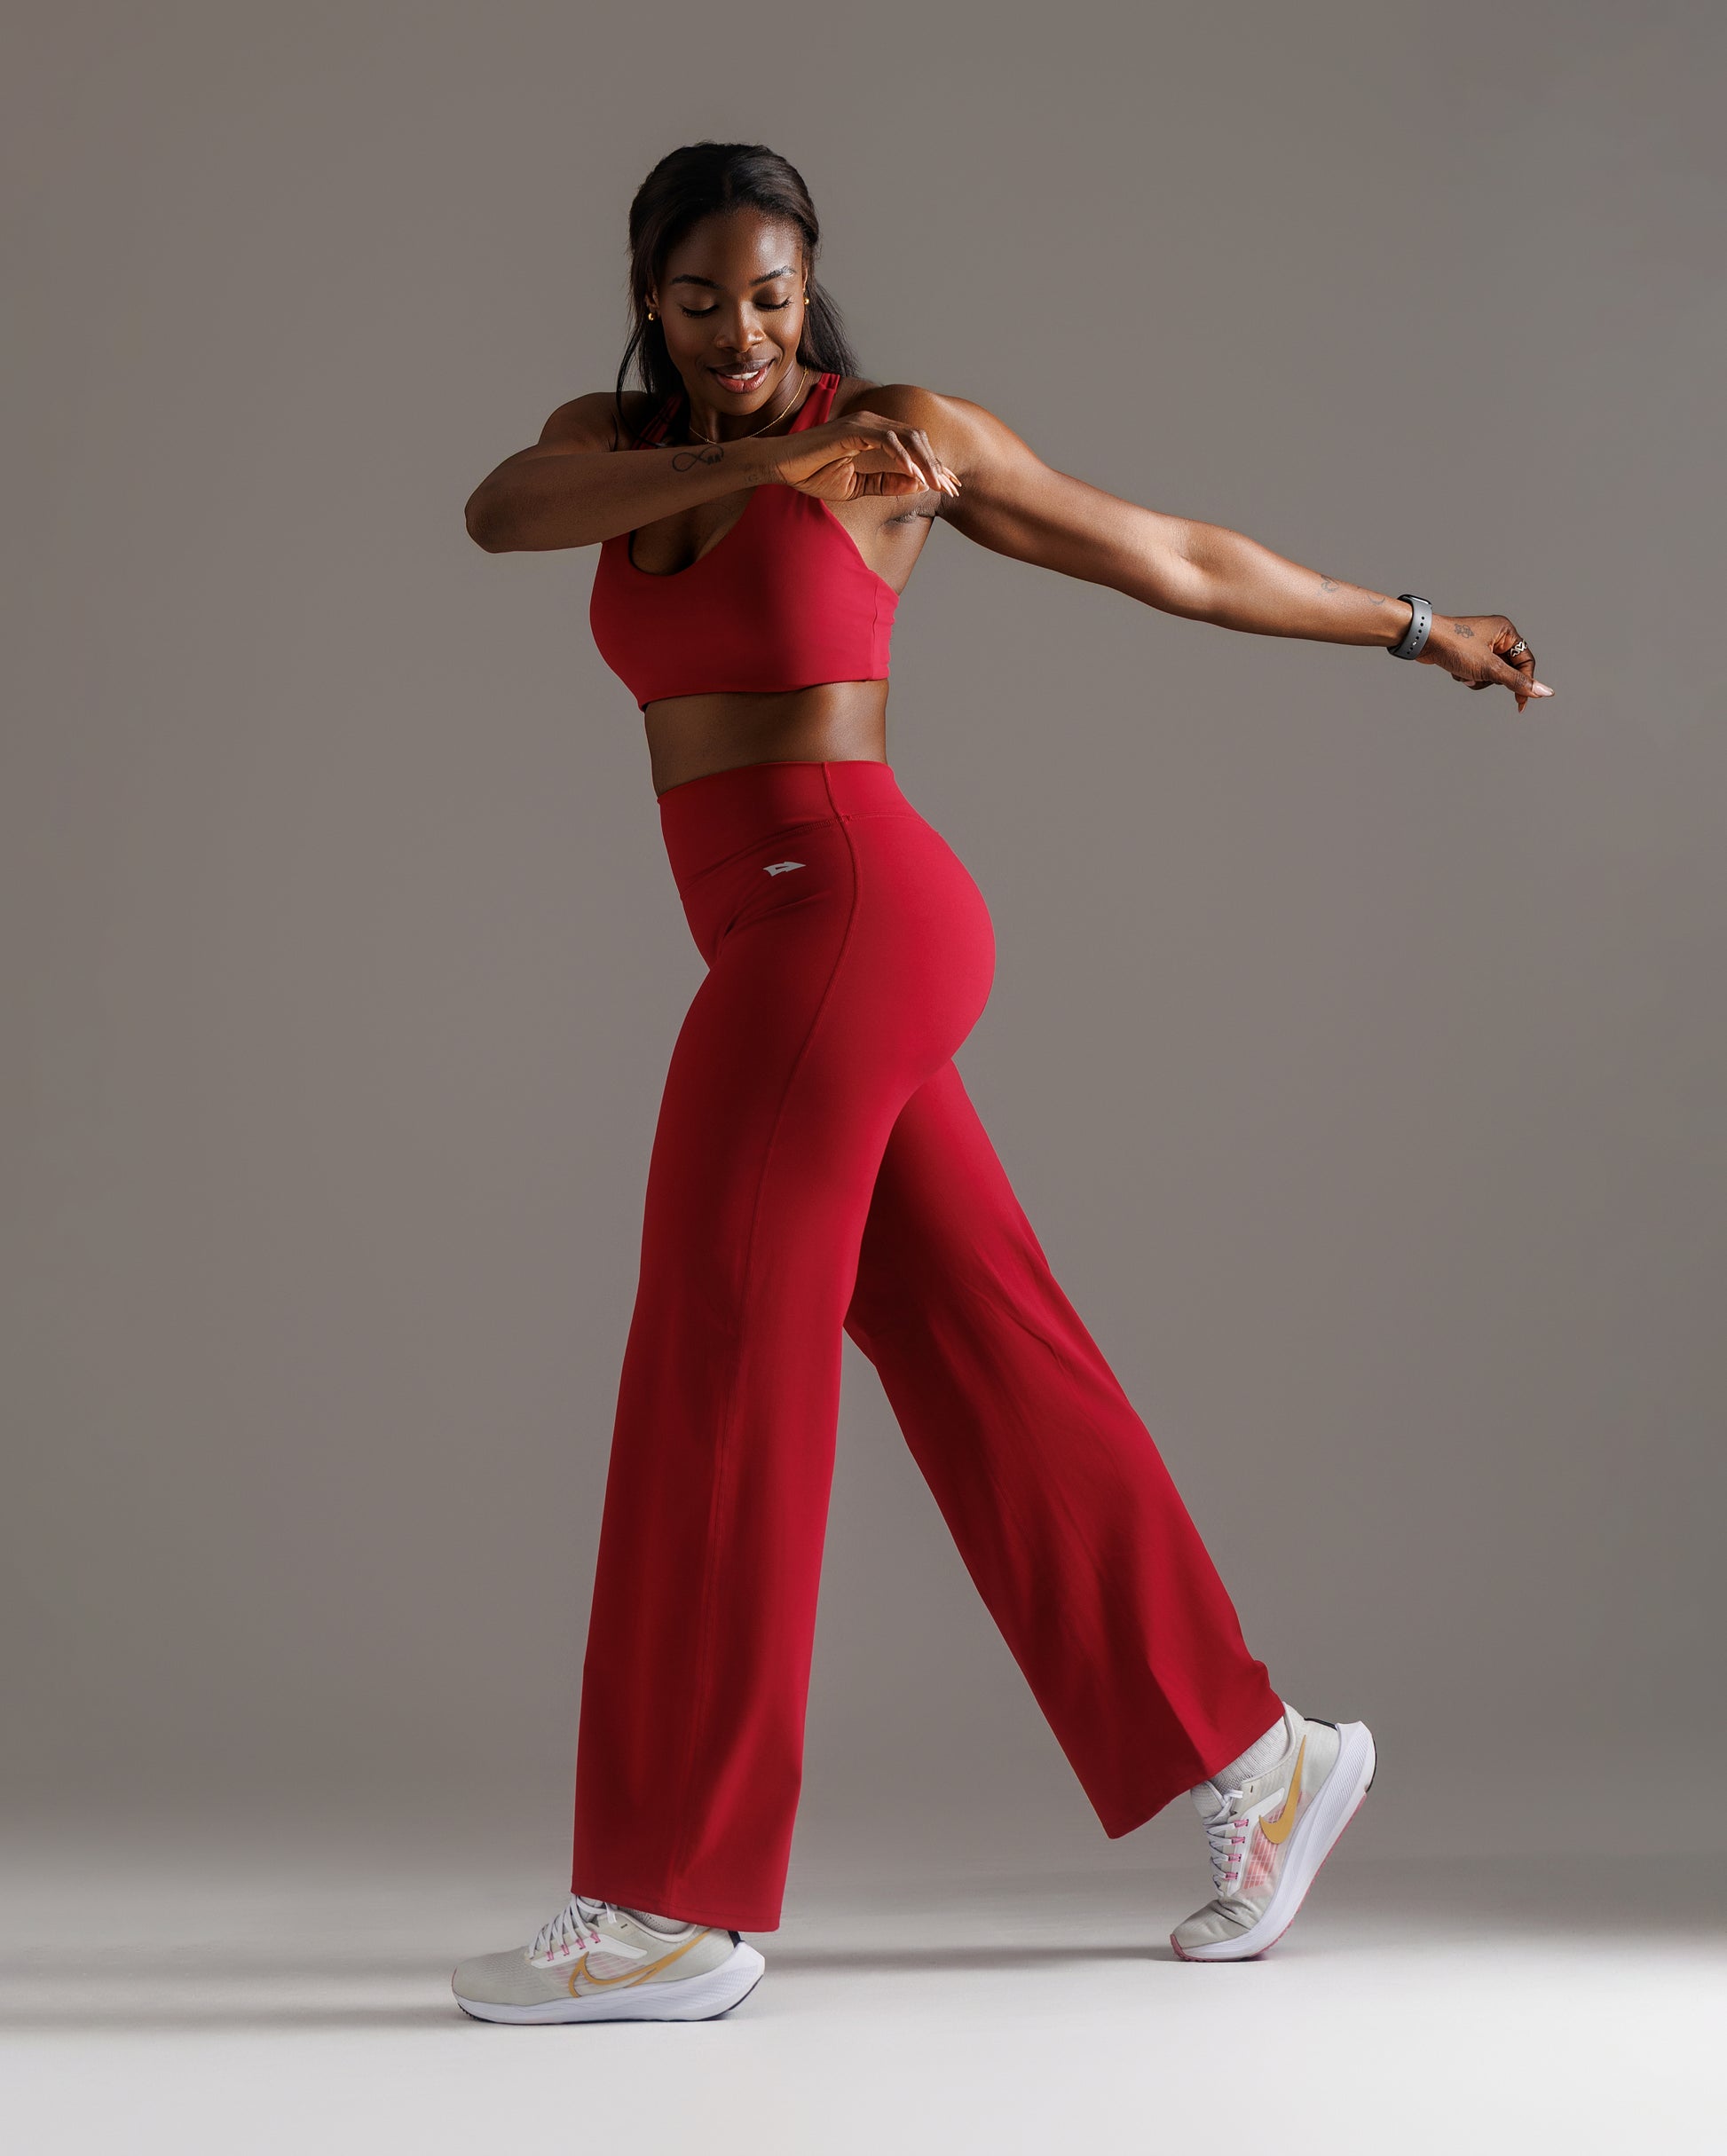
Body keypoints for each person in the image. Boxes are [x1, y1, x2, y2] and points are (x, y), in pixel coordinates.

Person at [448, 140, 1552, 2026]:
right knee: (986, 1352)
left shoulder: (899, 441)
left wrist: (1411, 624)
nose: (741, 331)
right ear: (649, 300)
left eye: (772, 295)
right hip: (770, 933)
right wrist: (749, 469)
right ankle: (1258, 1755)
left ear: (812, 289)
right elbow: (499, 510)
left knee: (719, 1343)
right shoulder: (611, 450)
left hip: (846, 913)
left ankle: (671, 1900)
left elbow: (1171, 555)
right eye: (702, 299)